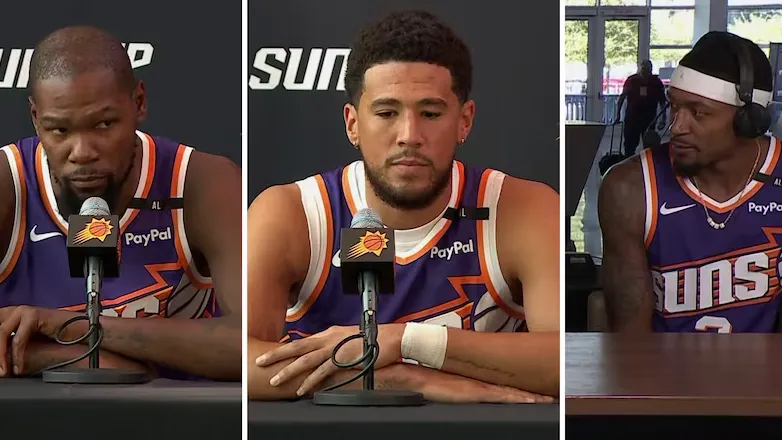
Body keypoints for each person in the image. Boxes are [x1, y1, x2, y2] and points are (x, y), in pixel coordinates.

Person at [247, 10, 559, 402]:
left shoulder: (520, 207)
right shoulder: (293, 211)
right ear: (352, 123)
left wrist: (406, 340)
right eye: (386, 113)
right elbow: (242, 362)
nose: (409, 136)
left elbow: (563, 361)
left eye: (430, 113)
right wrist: (406, 379)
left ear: (465, 120)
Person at [0, 26, 242, 379]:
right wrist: (96, 361)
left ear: (139, 103)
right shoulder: (9, 182)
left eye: (103, 124)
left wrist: (67, 326)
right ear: (36, 118)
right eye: (59, 131)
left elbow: (251, 346)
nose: (82, 153)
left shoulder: (200, 180)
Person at [599, 31, 781, 333]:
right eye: (674, 106)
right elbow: (630, 344)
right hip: (662, 375)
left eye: (698, 112)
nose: (677, 127)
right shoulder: (630, 188)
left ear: (749, 120)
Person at [615, 60, 668, 157]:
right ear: (640, 68)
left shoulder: (656, 82)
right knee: (629, 145)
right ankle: (628, 164)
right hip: (632, 117)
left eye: (647, 69)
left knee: (649, 147)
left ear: (651, 69)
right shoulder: (631, 80)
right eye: (643, 69)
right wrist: (618, 115)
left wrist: (663, 118)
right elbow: (622, 97)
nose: (645, 71)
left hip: (649, 119)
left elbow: (662, 102)